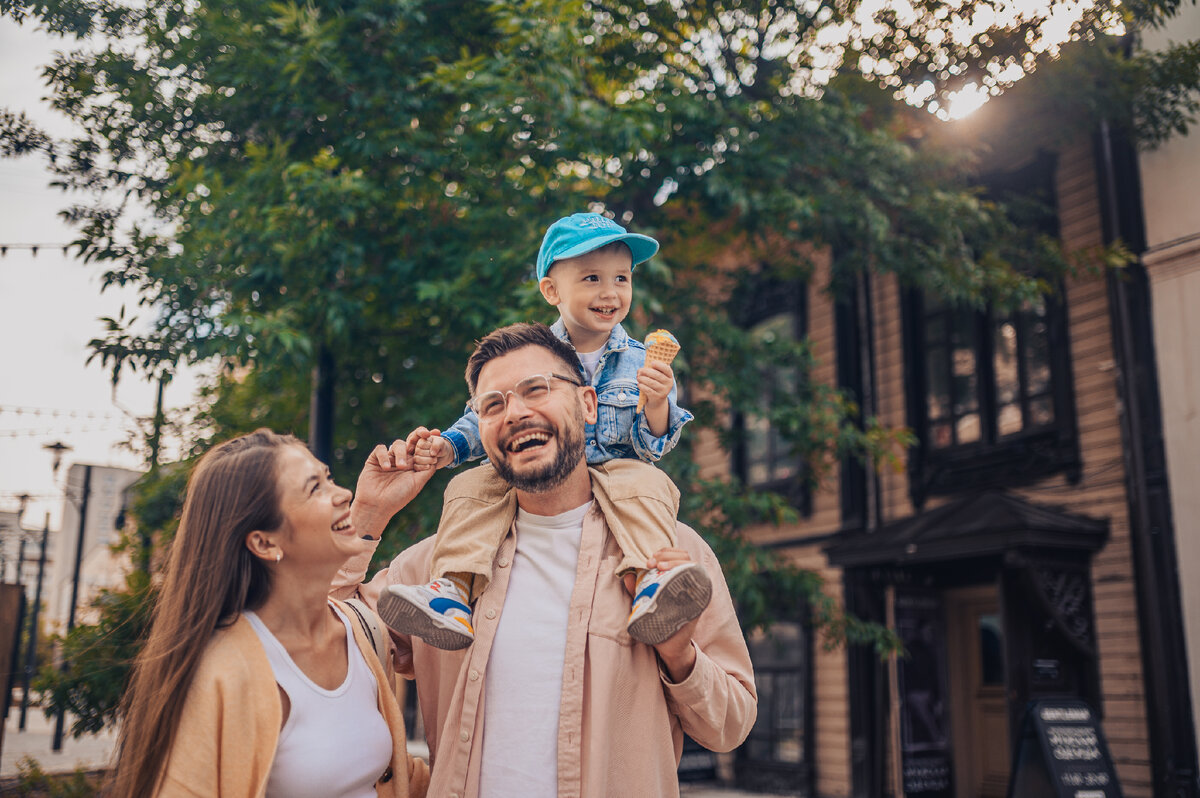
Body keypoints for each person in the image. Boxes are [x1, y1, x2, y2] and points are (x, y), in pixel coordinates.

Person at [335, 322, 756, 798]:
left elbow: (730, 726)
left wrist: (679, 655)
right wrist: (367, 516)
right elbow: (317, 642)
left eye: (537, 389)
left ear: (588, 404)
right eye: (493, 404)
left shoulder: (669, 554)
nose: (514, 412)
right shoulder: (439, 567)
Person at [380, 212, 706, 651]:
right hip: (539, 462)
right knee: (469, 485)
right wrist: (448, 447)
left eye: (622, 279)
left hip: (614, 470)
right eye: (591, 278)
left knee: (648, 484)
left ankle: (651, 581)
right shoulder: (534, 354)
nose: (610, 292)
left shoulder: (642, 360)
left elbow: (654, 446)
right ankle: (452, 589)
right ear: (552, 290)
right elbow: (489, 413)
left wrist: (658, 403)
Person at [111, 429, 432, 798]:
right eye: (315, 488)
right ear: (264, 542)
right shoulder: (219, 673)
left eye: (327, 477)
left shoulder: (361, 632)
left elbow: (393, 778)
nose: (344, 492)